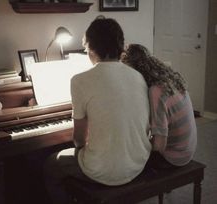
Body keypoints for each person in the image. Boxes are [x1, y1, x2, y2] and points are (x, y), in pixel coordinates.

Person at [44, 18, 151, 203]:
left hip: (103, 171)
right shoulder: (138, 77)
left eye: (86, 50)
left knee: (51, 164)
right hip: (137, 163)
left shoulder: (80, 80)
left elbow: (78, 139)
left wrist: (84, 151)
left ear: (91, 48)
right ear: (121, 46)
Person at [121, 43, 197, 169]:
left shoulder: (156, 91)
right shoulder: (169, 79)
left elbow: (159, 146)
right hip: (188, 148)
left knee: (127, 157)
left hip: (174, 156)